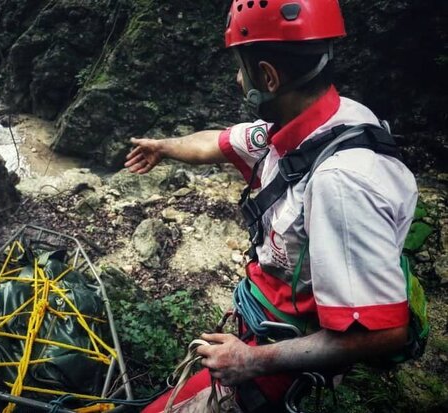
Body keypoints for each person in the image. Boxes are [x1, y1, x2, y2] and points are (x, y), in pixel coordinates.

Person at [125, 0, 418, 411]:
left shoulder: (342, 183)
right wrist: (162, 147)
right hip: (264, 324)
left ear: (268, 76)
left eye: (241, 68)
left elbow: (382, 332)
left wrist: (251, 361)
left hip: (280, 358)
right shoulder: (315, 123)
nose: (236, 78)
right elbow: (215, 142)